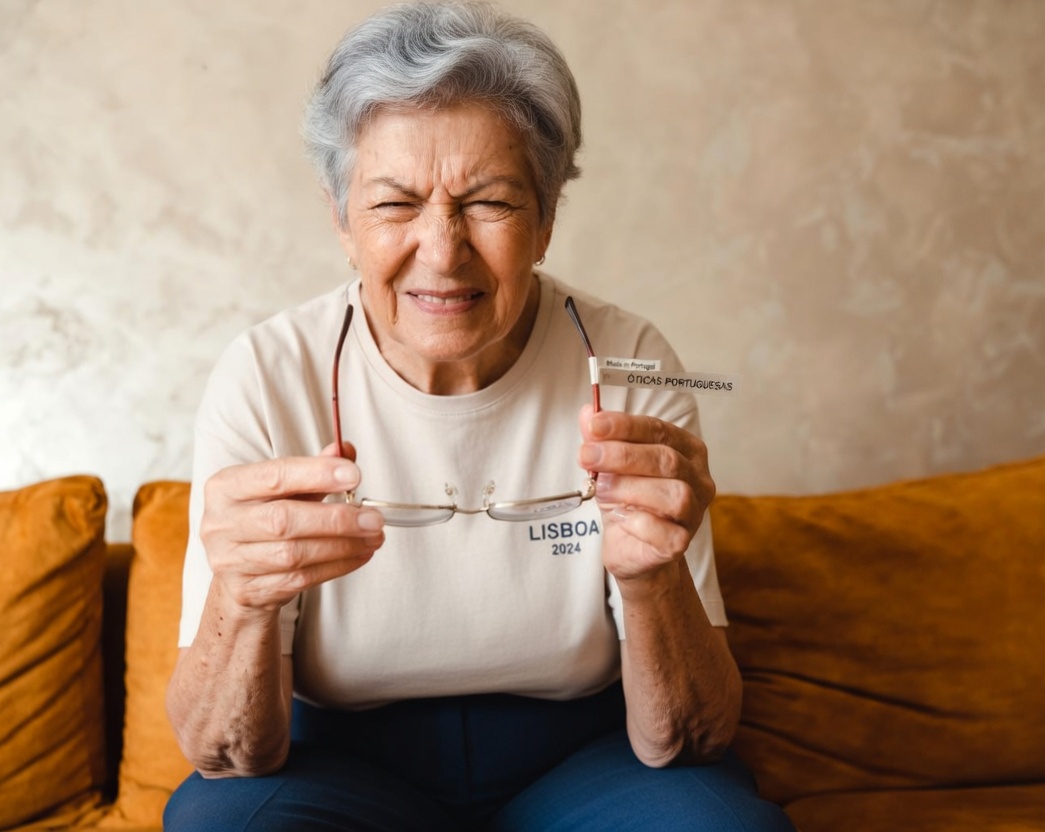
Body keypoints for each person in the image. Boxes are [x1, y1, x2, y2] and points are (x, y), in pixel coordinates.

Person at [163, 3, 795, 831]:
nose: (442, 248)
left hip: (585, 755)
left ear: (546, 220)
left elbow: (692, 739)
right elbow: (223, 753)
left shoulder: (628, 358)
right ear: (340, 219)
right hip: (337, 759)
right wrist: (242, 603)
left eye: (489, 201)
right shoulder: (265, 375)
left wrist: (651, 582)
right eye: (395, 204)